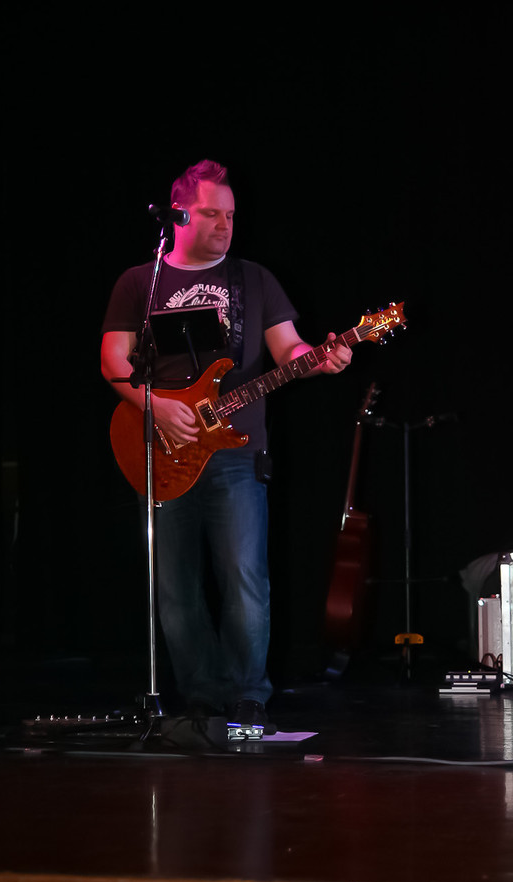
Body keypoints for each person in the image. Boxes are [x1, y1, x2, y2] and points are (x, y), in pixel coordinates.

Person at [100, 159, 351, 733]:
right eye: (211, 213)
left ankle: (248, 696)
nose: (224, 225)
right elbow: (114, 360)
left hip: (237, 453)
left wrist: (321, 359)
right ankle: (201, 693)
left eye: (231, 215)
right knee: (175, 586)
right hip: (161, 447)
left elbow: (288, 349)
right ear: (179, 215)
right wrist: (155, 405)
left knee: (244, 576)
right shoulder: (140, 283)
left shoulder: (253, 280)